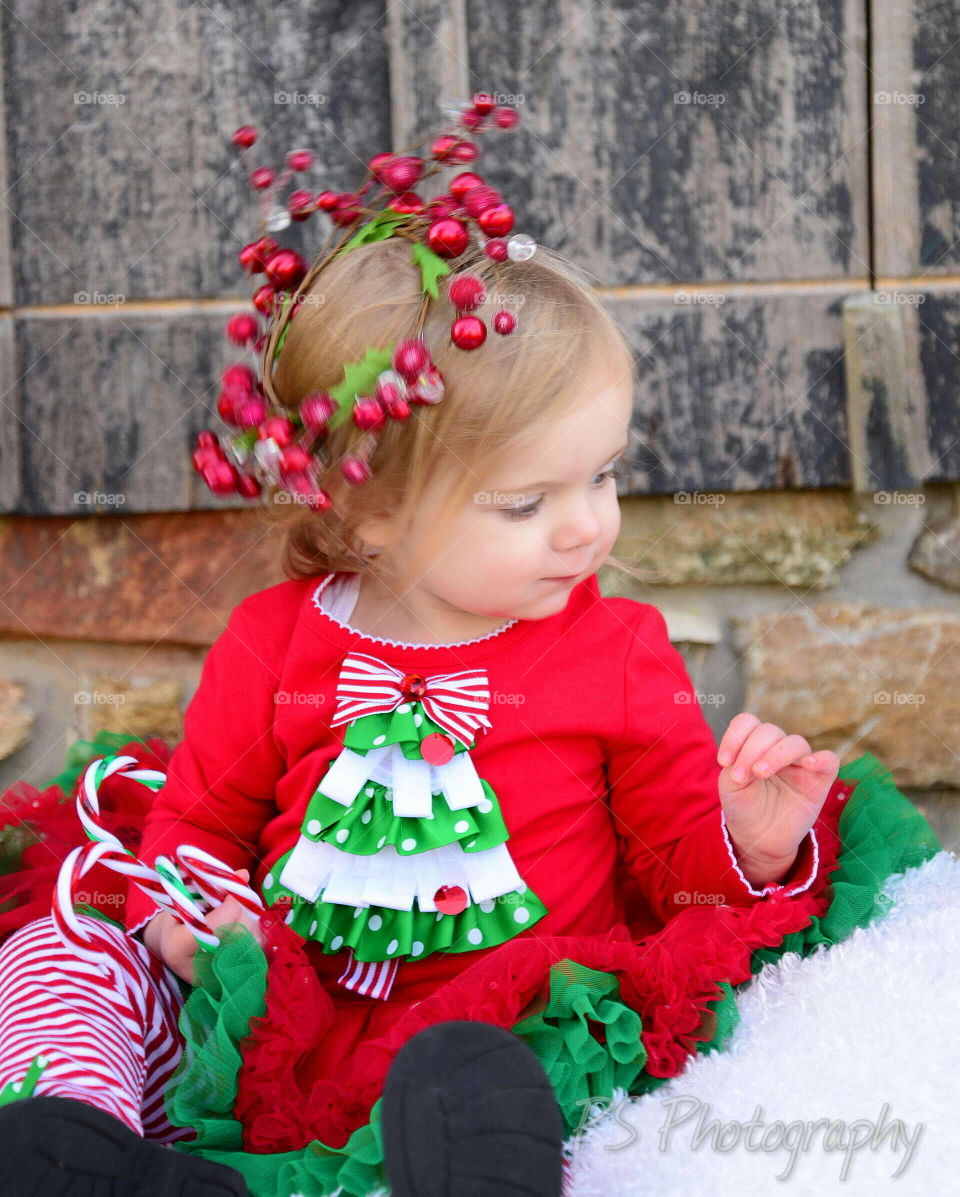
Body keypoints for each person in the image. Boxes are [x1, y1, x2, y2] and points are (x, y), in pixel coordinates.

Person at [0, 98, 941, 1197]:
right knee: (61, 954)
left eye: (603, 475)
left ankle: (465, 1178)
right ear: (371, 518)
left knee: (482, 1078)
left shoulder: (619, 651)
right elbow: (199, 821)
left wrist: (744, 840)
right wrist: (191, 928)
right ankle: (88, 1156)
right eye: (525, 503)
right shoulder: (276, 642)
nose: (588, 526)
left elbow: (668, 879)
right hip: (295, 1022)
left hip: (507, 1018)